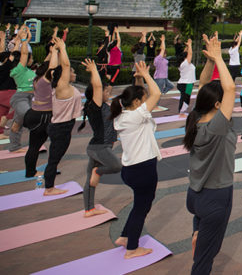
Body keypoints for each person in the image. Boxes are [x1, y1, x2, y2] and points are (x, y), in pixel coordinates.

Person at [184, 34, 238, 275]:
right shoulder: (217, 127)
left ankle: (198, 232)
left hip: (195, 195)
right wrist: (219, 57)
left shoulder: (195, 118)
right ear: (217, 105)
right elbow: (230, 88)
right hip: (216, 197)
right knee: (205, 260)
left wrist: (210, 62)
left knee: (203, 239)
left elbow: (203, 85)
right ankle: (201, 236)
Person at [111, 60, 163, 259]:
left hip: (131, 169)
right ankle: (132, 248)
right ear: (136, 103)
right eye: (143, 99)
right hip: (143, 170)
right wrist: (149, 77)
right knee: (143, 207)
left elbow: (142, 95)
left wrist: (140, 77)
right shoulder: (136, 116)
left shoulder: (124, 115)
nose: (146, 100)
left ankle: (125, 236)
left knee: (140, 204)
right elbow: (157, 94)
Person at [78, 57, 121, 218]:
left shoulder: (97, 105)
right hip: (100, 147)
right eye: (104, 91)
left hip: (97, 147)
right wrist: (94, 70)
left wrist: (96, 74)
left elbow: (100, 86)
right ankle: (98, 171)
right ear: (96, 93)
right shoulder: (94, 106)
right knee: (116, 166)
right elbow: (96, 86)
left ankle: (89, 209)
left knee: (90, 180)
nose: (107, 92)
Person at [42, 37, 84, 195]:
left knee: (55, 157)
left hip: (60, 126)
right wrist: (63, 48)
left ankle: (49, 185)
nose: (73, 73)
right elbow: (65, 66)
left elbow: (53, 67)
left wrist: (55, 51)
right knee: (54, 159)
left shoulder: (58, 83)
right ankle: (49, 188)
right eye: (72, 71)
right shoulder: (62, 87)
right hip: (61, 127)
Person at [24, 42, 56, 179]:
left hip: (34, 113)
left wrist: (51, 52)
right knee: (36, 146)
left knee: (33, 145)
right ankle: (31, 172)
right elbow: (52, 67)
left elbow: (47, 64)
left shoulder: (37, 79)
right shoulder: (45, 81)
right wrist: (55, 51)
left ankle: (30, 171)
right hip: (43, 116)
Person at [6, 26, 34, 152]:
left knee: (19, 123)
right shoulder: (18, 70)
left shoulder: (28, 70)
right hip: (20, 98)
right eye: (30, 57)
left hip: (30, 98)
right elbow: (23, 54)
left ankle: (15, 146)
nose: (32, 59)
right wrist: (23, 40)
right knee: (25, 116)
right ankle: (15, 145)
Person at [178, 41, 197, 116]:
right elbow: (190, 54)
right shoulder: (186, 63)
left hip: (185, 83)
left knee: (184, 98)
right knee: (185, 99)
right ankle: (181, 112)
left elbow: (185, 53)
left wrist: (187, 46)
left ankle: (181, 111)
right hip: (186, 83)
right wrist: (190, 45)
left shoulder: (183, 63)